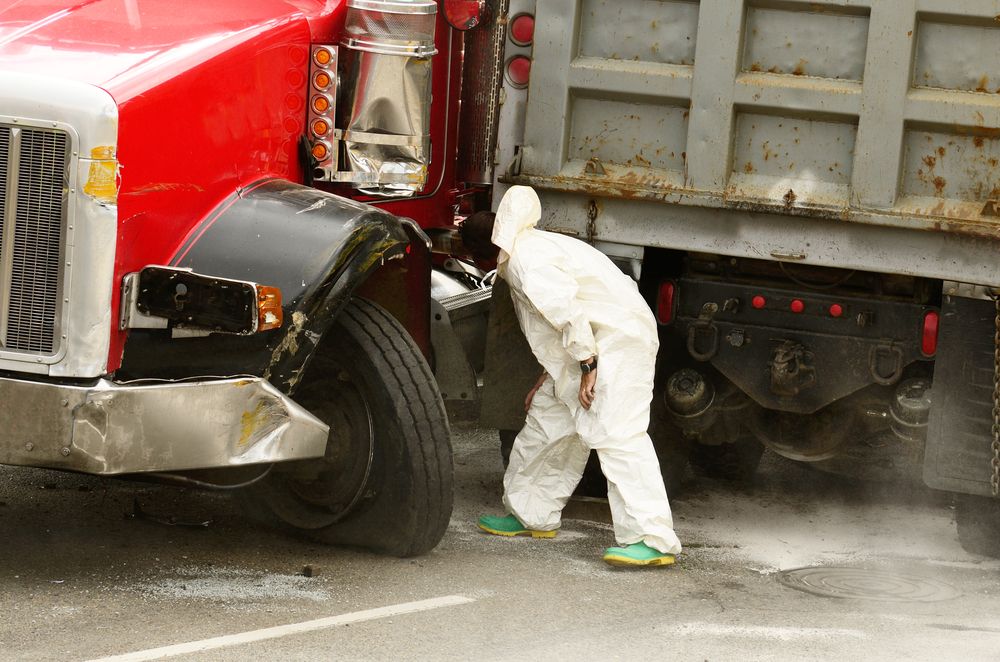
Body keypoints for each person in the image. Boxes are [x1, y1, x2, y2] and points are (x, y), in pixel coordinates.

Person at [463, 185, 682, 567]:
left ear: (482, 254)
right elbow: (553, 324)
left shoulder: (527, 262)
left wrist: (588, 366)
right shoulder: (527, 249)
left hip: (615, 342)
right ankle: (531, 513)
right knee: (548, 422)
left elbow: (566, 312)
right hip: (592, 343)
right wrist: (549, 375)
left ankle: (653, 539)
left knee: (617, 434)